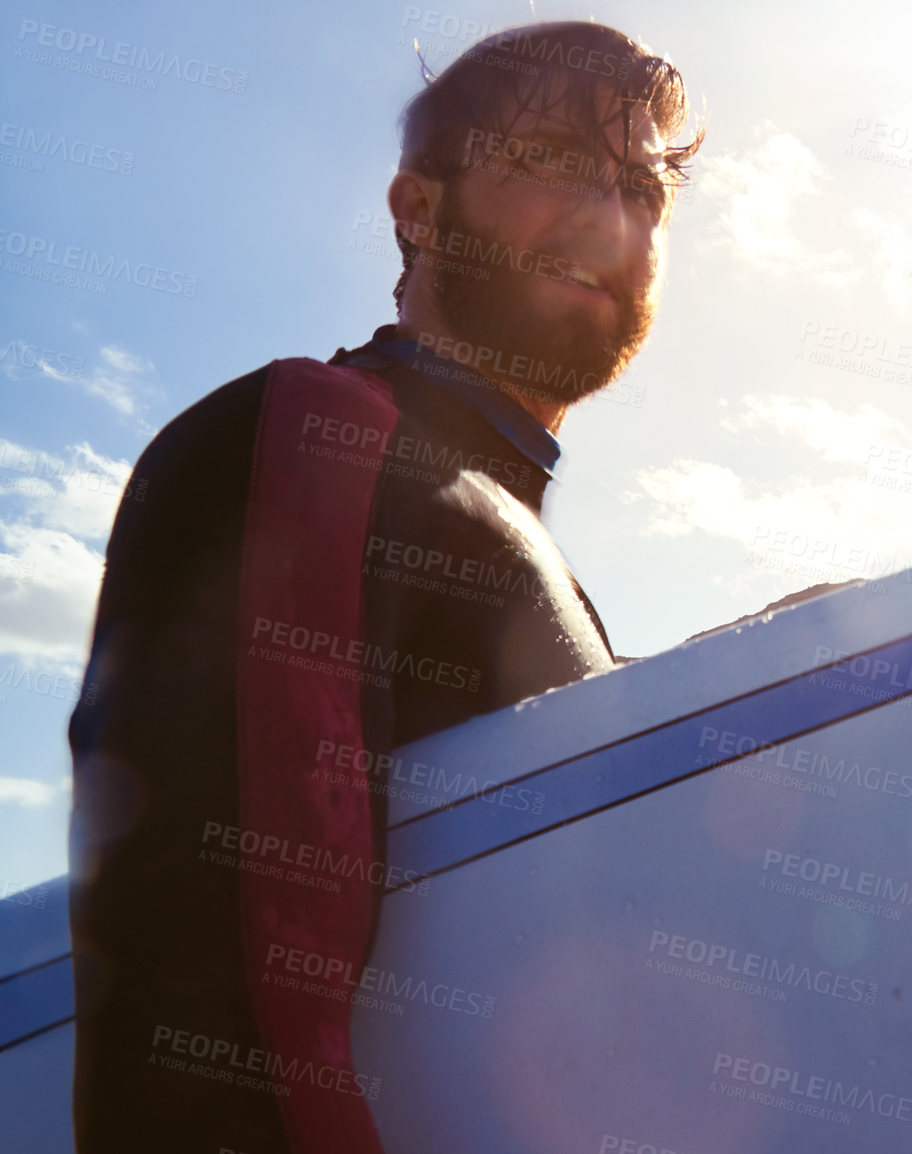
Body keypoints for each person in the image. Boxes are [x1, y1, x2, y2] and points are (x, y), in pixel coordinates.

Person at [67, 22, 711, 1153]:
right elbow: (201, 992)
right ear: (417, 206)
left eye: (643, 189)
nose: (611, 220)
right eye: (552, 157)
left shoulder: (518, 551)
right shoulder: (313, 433)